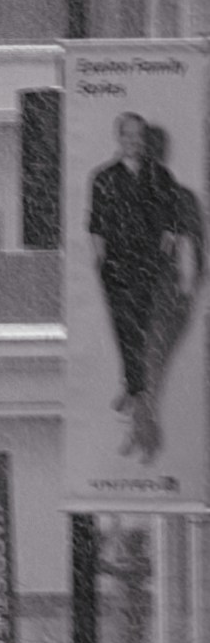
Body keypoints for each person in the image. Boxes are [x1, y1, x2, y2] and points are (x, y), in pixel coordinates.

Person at [92, 103, 208, 468]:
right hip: (122, 274)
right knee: (132, 346)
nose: (134, 143)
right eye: (127, 135)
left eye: (139, 137)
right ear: (119, 138)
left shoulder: (167, 183)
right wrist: (104, 264)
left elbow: (186, 242)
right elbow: (97, 225)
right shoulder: (106, 179)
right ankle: (139, 419)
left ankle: (141, 430)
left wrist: (183, 281)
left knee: (150, 360)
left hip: (160, 288)